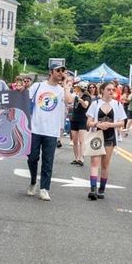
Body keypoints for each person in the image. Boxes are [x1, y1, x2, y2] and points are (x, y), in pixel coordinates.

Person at [26, 62, 73, 202]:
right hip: (35, 127)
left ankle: (44, 188)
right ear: (51, 71)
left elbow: (69, 101)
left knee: (48, 161)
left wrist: (65, 85)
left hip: (51, 130)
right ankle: (33, 181)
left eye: (63, 71)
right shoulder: (38, 86)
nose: (60, 73)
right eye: (58, 71)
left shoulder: (61, 89)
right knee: (32, 158)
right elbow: (27, 102)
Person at [86, 81, 126, 200]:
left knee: (105, 164)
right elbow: (89, 122)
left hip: (110, 136)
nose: (111, 91)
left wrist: (110, 124)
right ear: (102, 90)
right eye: (108, 89)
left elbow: (121, 122)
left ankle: (102, 189)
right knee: (94, 162)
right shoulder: (95, 104)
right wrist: (98, 124)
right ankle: (93, 189)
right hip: (97, 135)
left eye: (113, 89)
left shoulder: (118, 105)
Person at [68, 84, 91, 166]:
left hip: (82, 120)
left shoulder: (86, 97)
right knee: (74, 140)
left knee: (81, 141)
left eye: (76, 88)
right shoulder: (75, 96)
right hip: (74, 119)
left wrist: (80, 100)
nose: (75, 89)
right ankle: (76, 158)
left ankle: (81, 158)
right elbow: (69, 102)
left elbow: (86, 105)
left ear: (80, 89)